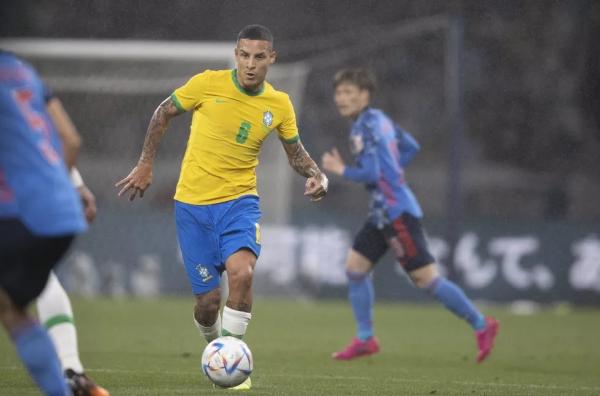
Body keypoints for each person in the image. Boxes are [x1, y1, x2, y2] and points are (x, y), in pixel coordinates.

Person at [116, 24, 327, 389]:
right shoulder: (207, 83)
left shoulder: (278, 104)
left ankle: (232, 361)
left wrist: (316, 174)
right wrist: (146, 162)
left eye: (259, 57)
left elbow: (295, 153)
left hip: (239, 203)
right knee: (209, 302)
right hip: (192, 207)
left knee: (242, 275)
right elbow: (163, 112)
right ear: (236, 55)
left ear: (271, 59)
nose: (250, 64)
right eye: (244, 55)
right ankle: (217, 350)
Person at [321, 68, 498, 363]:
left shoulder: (365, 127)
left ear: (365, 95)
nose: (342, 98)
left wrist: (343, 171)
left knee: (426, 279)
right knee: (355, 268)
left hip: (397, 213)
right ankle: (366, 339)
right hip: (381, 213)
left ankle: (482, 324)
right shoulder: (380, 120)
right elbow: (410, 147)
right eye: (339, 93)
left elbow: (373, 172)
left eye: (349, 92)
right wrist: (394, 171)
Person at [0, 50, 86, 395]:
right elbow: (71, 139)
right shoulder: (21, 70)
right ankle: (67, 378)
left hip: (19, 212)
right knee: (12, 307)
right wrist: (61, 189)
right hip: (63, 210)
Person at [36, 90, 109, 396]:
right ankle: (71, 370)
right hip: (20, 201)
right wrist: (77, 186)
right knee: (36, 282)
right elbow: (67, 140)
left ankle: (70, 370)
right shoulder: (24, 81)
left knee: (36, 282)